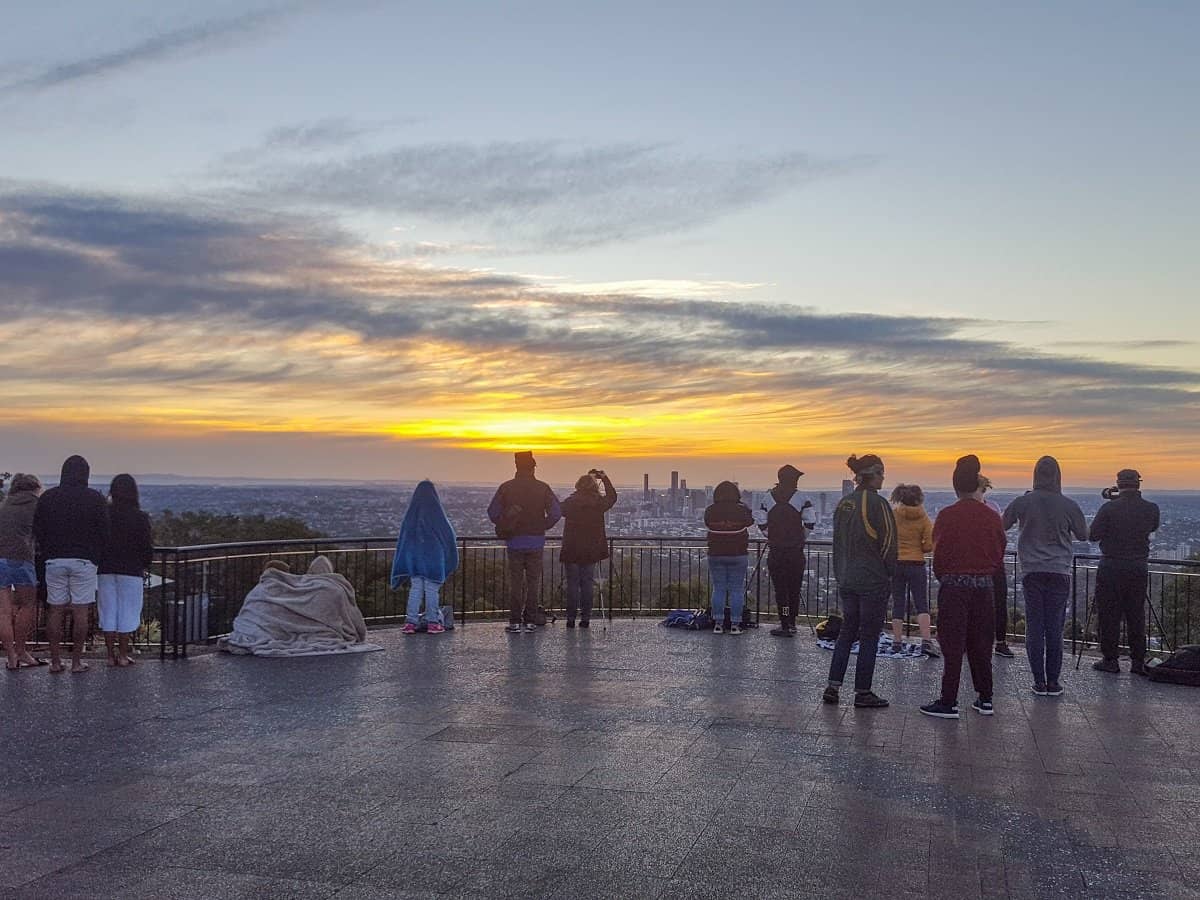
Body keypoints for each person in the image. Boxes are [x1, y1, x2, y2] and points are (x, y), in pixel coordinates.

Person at [920, 456, 1007, 719]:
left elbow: (940, 553)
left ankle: (949, 700)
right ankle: (985, 697)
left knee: (953, 643)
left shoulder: (947, 515)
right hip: (984, 587)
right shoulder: (991, 517)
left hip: (955, 587)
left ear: (956, 487)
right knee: (981, 643)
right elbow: (999, 549)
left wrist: (945, 576)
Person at [1002, 456, 1087, 697]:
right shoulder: (1068, 504)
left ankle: (1038, 681)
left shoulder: (1023, 502)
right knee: (1054, 628)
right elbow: (1083, 534)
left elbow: (1002, 524)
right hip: (1059, 570)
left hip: (1032, 571)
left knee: (1035, 627)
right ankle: (1054, 682)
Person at [823, 454, 897, 708]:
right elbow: (888, 543)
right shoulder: (878, 504)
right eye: (881, 473)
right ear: (872, 474)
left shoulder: (845, 503)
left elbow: (837, 542)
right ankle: (863, 691)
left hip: (847, 578)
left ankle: (833, 686)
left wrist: (841, 572)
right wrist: (889, 573)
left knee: (846, 632)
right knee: (869, 636)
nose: (883, 478)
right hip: (872, 580)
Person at [32, 455, 109, 674]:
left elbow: (38, 530)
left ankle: (56, 662)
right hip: (84, 560)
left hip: (54, 559)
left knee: (54, 610)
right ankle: (76, 661)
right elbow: (104, 532)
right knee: (80, 611)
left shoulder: (48, 498)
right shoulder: (95, 498)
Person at [1089, 469, 1160, 676]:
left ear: (1118, 484)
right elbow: (1153, 527)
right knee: (1135, 614)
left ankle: (1110, 659)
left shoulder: (1109, 509)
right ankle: (1137, 661)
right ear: (1139, 484)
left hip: (1111, 567)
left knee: (1109, 614)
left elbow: (1093, 536)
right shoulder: (1151, 508)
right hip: (1138, 567)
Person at [488, 451, 561, 633]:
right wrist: (542, 525)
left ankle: (514, 621)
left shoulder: (506, 487)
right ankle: (530, 621)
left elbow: (492, 512)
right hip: (536, 541)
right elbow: (556, 513)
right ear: (533, 467)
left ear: (516, 467)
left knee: (516, 583)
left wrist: (506, 523)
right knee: (533, 583)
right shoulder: (543, 488)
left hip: (514, 542)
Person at [98, 474, 154, 667]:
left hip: (105, 568)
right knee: (128, 612)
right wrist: (144, 564)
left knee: (108, 611)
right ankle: (122, 655)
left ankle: (109, 655)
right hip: (131, 570)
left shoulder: (104, 514)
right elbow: (146, 547)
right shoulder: (140, 517)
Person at [390, 480, 459, 635]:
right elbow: (448, 535)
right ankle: (433, 623)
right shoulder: (436, 512)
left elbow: (404, 538)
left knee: (415, 590)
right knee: (432, 590)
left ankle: (410, 623)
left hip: (414, 559)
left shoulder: (411, 515)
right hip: (434, 559)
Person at [757, 464, 811, 637]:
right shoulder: (801, 498)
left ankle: (785, 623)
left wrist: (771, 536)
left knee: (781, 590)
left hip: (776, 551)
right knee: (794, 588)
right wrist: (800, 537)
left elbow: (761, 523)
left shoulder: (767, 498)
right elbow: (810, 522)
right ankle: (792, 623)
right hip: (795, 552)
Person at [559, 469, 617, 629]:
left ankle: (570, 619)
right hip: (591, 550)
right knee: (587, 584)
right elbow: (612, 497)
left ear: (578, 486)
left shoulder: (570, 502)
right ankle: (586, 619)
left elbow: (556, 509)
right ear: (593, 487)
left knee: (572, 585)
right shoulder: (598, 503)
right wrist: (604, 478)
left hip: (571, 548)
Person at [0, 474, 45, 670]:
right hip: (22, 558)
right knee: (27, 605)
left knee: (4, 611)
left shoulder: (3, 505)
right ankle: (21, 650)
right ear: (34, 488)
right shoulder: (36, 506)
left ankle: (10, 657)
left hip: (0, 558)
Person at [887, 483, 937, 656]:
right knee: (921, 603)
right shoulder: (924, 518)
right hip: (916, 564)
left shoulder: (894, 515)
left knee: (898, 603)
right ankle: (926, 641)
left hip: (897, 563)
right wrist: (918, 548)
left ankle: (897, 641)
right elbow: (929, 545)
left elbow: (888, 538)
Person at [704, 481, 753, 635]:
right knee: (736, 590)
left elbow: (707, 523)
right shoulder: (742, 509)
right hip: (738, 554)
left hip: (716, 554)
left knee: (718, 589)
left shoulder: (710, 510)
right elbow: (750, 521)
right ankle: (735, 625)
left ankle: (718, 624)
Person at [978, 476, 1016, 659]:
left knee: (998, 602)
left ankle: (998, 641)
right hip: (993, 562)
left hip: (987, 563)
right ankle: (998, 642)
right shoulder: (993, 508)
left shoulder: (992, 508)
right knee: (997, 602)